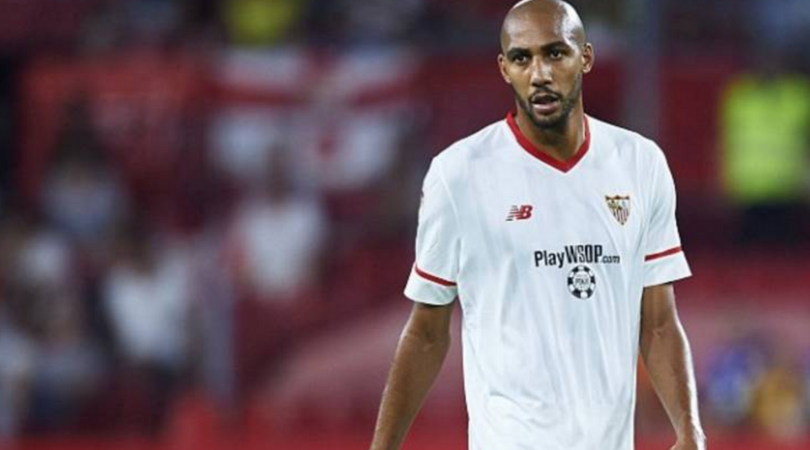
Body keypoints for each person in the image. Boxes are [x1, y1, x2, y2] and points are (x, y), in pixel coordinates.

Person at [368, 1, 706, 450]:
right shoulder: (459, 175)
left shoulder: (640, 164)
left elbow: (659, 323)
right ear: (504, 69)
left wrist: (689, 430)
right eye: (522, 58)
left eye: (555, 53)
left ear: (585, 57)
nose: (539, 73)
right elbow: (427, 332)